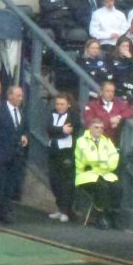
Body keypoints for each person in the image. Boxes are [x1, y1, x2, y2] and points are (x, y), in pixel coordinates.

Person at [0, 85, 29, 225]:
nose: (21, 98)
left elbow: (24, 129)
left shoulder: (21, 112)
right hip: (1, 155)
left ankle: (4, 212)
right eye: (18, 95)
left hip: (16, 156)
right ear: (10, 96)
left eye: (21, 96)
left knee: (9, 186)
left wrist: (25, 136)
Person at [74, 119, 119, 228]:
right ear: (90, 128)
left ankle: (111, 215)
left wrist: (101, 164)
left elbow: (114, 158)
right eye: (96, 127)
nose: (99, 130)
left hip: (105, 174)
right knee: (101, 187)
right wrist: (104, 163)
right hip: (86, 175)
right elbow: (88, 158)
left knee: (118, 187)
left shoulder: (107, 141)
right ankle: (100, 216)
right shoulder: (81, 141)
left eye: (101, 128)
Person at [46, 93, 81, 221]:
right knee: (54, 181)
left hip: (66, 152)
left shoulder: (73, 116)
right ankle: (60, 208)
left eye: (62, 104)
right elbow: (48, 128)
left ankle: (66, 210)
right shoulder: (52, 114)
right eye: (57, 104)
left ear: (68, 104)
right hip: (52, 150)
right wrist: (60, 130)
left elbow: (69, 131)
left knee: (65, 182)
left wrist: (57, 130)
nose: (59, 106)